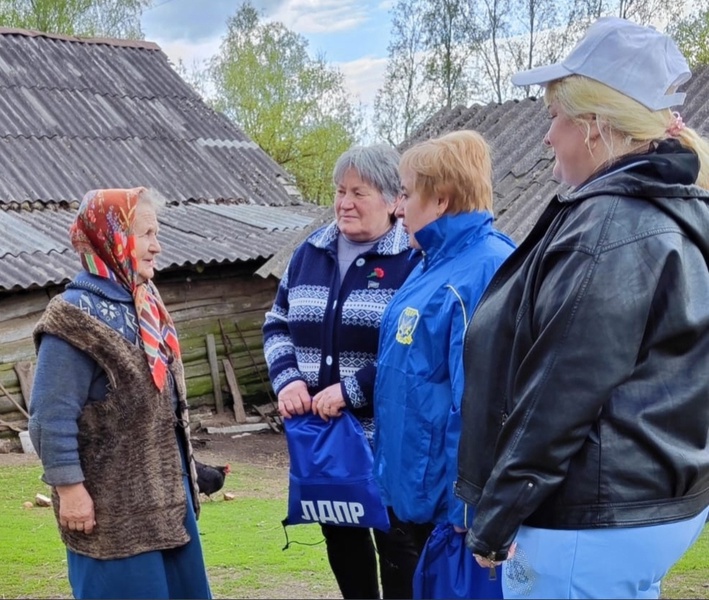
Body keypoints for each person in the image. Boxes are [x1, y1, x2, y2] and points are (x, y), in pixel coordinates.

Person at [456, 16, 709, 600]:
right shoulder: (673, 209)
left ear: (594, 127)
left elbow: (558, 394)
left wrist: (496, 517)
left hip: (590, 515)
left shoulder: (610, 226)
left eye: (554, 120)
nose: (546, 139)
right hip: (651, 501)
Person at [29, 188, 211, 600]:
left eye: (156, 233)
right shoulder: (74, 317)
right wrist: (69, 490)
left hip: (166, 506)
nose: (156, 246)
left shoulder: (143, 304)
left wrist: (194, 468)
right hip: (112, 516)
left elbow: (153, 408)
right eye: (146, 234)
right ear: (110, 236)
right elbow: (48, 415)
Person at [262, 144, 423, 599]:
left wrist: (352, 390)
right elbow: (277, 323)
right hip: (326, 440)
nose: (344, 203)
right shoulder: (309, 252)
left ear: (395, 200)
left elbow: (412, 349)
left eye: (359, 192)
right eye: (340, 191)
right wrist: (288, 378)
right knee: (342, 540)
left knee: (399, 547)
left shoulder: (411, 260)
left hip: (387, 442)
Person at [372, 130, 515, 598]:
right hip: (409, 500)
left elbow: (481, 400)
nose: (398, 208)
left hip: (447, 516)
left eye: (407, 194)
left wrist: (470, 511)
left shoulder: (486, 269)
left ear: (440, 200)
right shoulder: (430, 264)